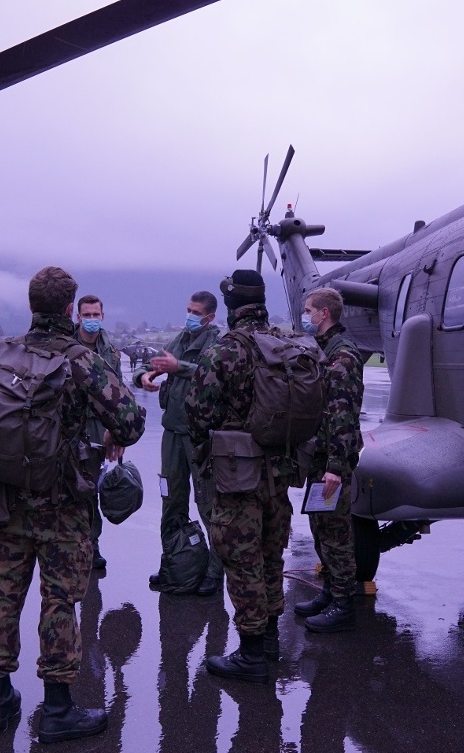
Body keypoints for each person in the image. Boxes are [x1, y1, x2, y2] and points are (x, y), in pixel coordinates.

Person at [0, 266, 146, 743]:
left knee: (5, 593)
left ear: (32, 306)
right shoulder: (81, 360)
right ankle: (56, 708)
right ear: (70, 310)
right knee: (59, 600)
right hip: (62, 504)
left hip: (7, 496)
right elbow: (131, 422)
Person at [185, 270, 299, 682]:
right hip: (280, 473)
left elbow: (197, 413)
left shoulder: (225, 351)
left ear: (231, 307)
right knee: (271, 554)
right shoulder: (285, 344)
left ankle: (250, 653)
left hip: (238, 476)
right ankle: (269, 638)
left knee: (242, 560)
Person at [133, 290, 223, 595]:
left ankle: (215, 570)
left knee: (206, 502)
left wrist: (178, 368)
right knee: (171, 498)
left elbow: (215, 375)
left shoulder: (216, 343)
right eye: (188, 310)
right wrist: (144, 376)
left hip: (199, 437)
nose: (190, 316)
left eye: (196, 312)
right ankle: (173, 560)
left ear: (209, 317)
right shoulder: (181, 339)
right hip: (172, 433)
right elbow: (152, 363)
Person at [294, 287, 365, 633]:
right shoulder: (324, 350)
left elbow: (342, 415)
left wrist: (336, 467)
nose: (305, 316)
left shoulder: (342, 357)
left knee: (336, 532)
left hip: (332, 462)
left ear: (324, 314)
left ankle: (343, 603)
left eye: (309, 311)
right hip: (320, 458)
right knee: (320, 528)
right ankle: (329, 592)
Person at [73, 294, 124, 570]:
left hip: (98, 426)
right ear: (78, 316)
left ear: (102, 317)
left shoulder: (110, 352)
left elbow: (119, 396)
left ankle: (92, 545)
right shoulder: (67, 347)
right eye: (86, 315)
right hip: (71, 424)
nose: (91, 320)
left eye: (96, 315)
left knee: (93, 485)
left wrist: (118, 433)